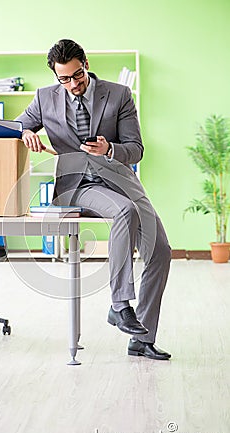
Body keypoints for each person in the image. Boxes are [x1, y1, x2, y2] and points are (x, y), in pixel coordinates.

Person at [16, 39, 172, 360]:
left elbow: (136, 147)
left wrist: (110, 148)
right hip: (78, 185)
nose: (72, 85)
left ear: (85, 63)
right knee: (124, 212)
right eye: (64, 79)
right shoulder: (45, 98)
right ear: (56, 76)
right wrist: (25, 132)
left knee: (160, 252)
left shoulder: (118, 95)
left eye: (77, 76)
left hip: (120, 179)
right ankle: (119, 304)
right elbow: (18, 124)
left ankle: (141, 339)